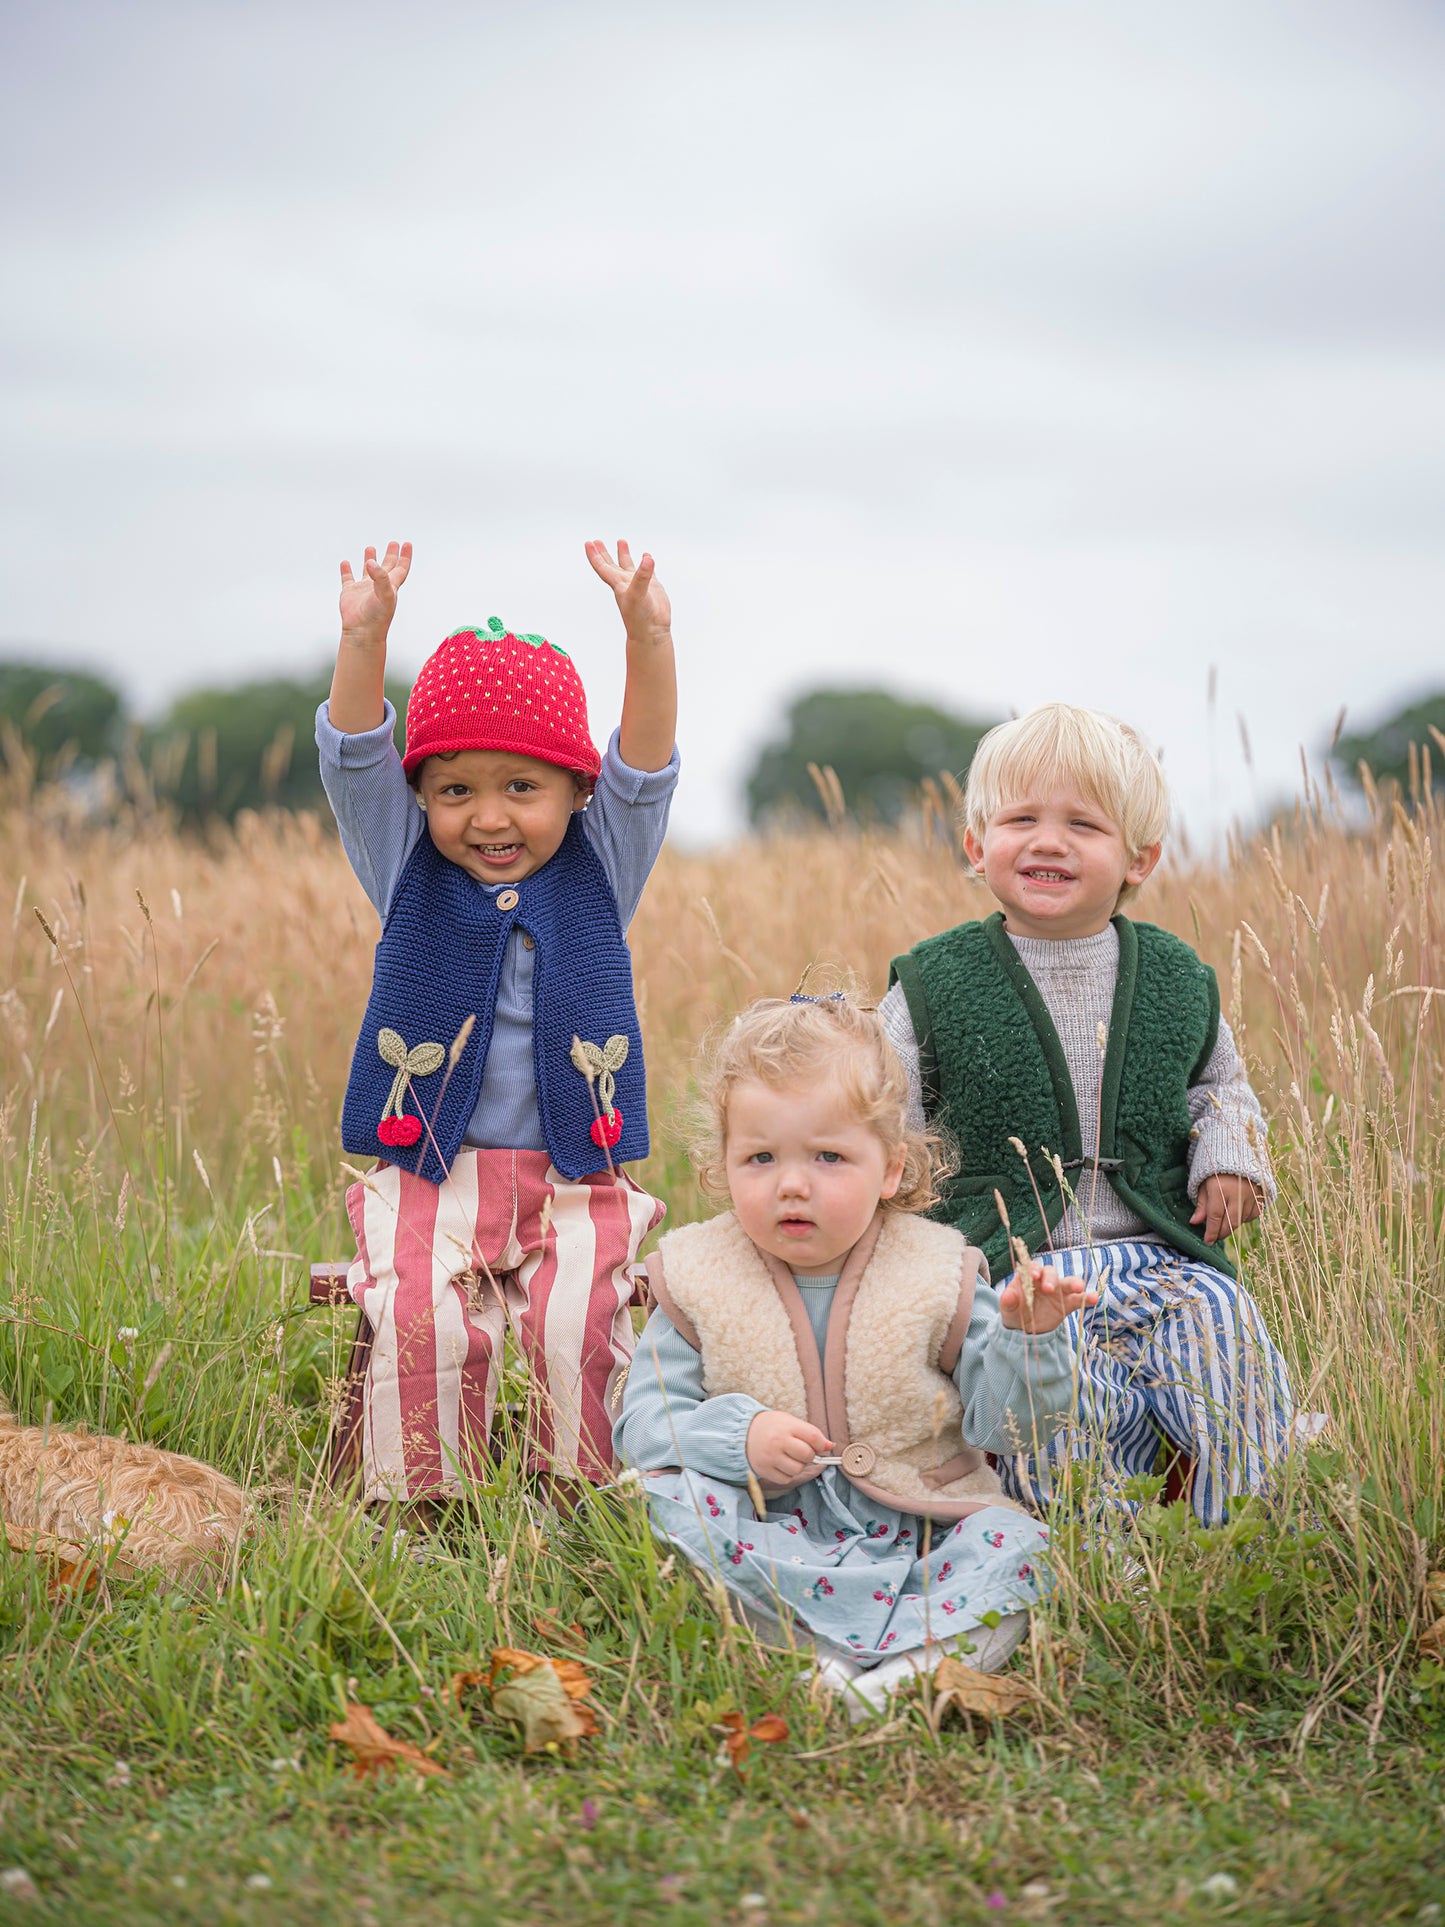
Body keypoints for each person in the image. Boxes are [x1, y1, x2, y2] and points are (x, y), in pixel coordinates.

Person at [318, 538, 678, 1509]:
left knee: (583, 1317)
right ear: (420, 796)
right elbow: (354, 757)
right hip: (432, 1168)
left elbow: (644, 762)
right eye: (454, 789)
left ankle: (580, 1494)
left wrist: (646, 636)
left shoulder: (604, 862)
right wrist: (365, 637)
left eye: (521, 787)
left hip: (578, 1172)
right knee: (417, 1318)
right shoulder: (405, 865)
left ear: (575, 790)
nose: (487, 817)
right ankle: (422, 1502)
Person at [615, 993, 1093, 1718]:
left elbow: (1012, 1429)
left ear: (892, 1168)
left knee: (1020, 1545)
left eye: (829, 1156)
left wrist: (1030, 1341)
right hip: (768, 1531)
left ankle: (903, 1673)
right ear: (722, 1164)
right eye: (760, 1157)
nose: (792, 1182)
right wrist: (737, 1435)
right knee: (660, 1501)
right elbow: (646, 1418)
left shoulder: (937, 1270)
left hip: (920, 1532)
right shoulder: (696, 1273)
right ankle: (817, 1663)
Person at [882, 703, 1294, 1527]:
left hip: (1163, 1258)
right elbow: (880, 1104)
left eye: (1082, 824)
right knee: (1064, 1399)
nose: (1047, 840)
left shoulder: (1176, 979)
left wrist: (1228, 1155)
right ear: (975, 844)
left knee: (1227, 1339)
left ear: (1138, 858)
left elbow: (1221, 1087)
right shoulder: (935, 982)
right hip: (1018, 1271)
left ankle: (1245, 1542)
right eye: (1020, 818)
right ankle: (1097, 1556)